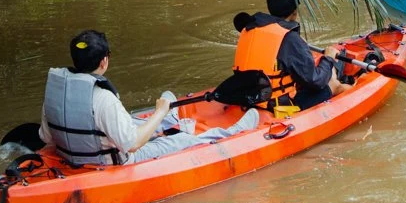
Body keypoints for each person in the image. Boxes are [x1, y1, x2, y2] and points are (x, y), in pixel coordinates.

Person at [40, 29, 259, 167]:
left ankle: (169, 117)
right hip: (114, 161)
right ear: (104, 61)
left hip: (76, 155)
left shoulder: (57, 93)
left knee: (136, 119)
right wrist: (160, 112)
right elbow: (132, 144)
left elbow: (47, 137)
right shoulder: (104, 99)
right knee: (184, 139)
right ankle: (234, 131)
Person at [222, 0, 348, 111]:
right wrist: (329, 58)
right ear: (294, 12)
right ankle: (350, 89)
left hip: (248, 96)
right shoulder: (290, 39)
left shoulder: (251, 28)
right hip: (277, 105)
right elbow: (317, 81)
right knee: (333, 84)